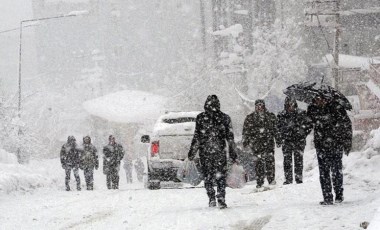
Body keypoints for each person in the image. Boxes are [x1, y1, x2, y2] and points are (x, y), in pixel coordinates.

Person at [188, 95, 238, 209]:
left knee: (208, 176)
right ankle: (221, 198)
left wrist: (192, 152)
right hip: (219, 152)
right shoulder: (225, 118)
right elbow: (230, 138)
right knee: (220, 176)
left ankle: (211, 198)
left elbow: (197, 137)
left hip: (205, 152)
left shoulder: (201, 118)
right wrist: (233, 154)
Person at [307, 94, 352, 205]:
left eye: (320, 99)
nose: (318, 101)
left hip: (335, 144)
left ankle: (339, 195)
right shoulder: (313, 109)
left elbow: (346, 125)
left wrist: (347, 142)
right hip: (321, 145)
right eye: (316, 99)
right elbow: (307, 124)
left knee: (336, 170)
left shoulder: (336, 108)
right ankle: (327, 197)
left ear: (326, 99)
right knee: (324, 172)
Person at [242, 99, 280, 189]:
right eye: (258, 105)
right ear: (255, 107)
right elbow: (246, 131)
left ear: (264, 106)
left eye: (261, 105)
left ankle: (271, 180)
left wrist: (278, 139)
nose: (259, 107)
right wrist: (245, 141)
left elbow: (276, 129)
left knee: (270, 162)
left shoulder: (270, 117)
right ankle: (260, 181)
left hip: (269, 143)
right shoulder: (250, 118)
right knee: (258, 163)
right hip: (256, 144)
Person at [277, 97, 312, 185]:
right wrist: (282, 136)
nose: (291, 107)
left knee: (298, 160)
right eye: (289, 104)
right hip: (287, 141)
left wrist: (303, 133)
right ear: (286, 105)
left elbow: (309, 125)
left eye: (292, 104)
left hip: (299, 141)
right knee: (287, 160)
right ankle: (288, 179)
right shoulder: (281, 115)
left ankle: (298, 178)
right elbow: (277, 127)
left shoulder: (302, 113)